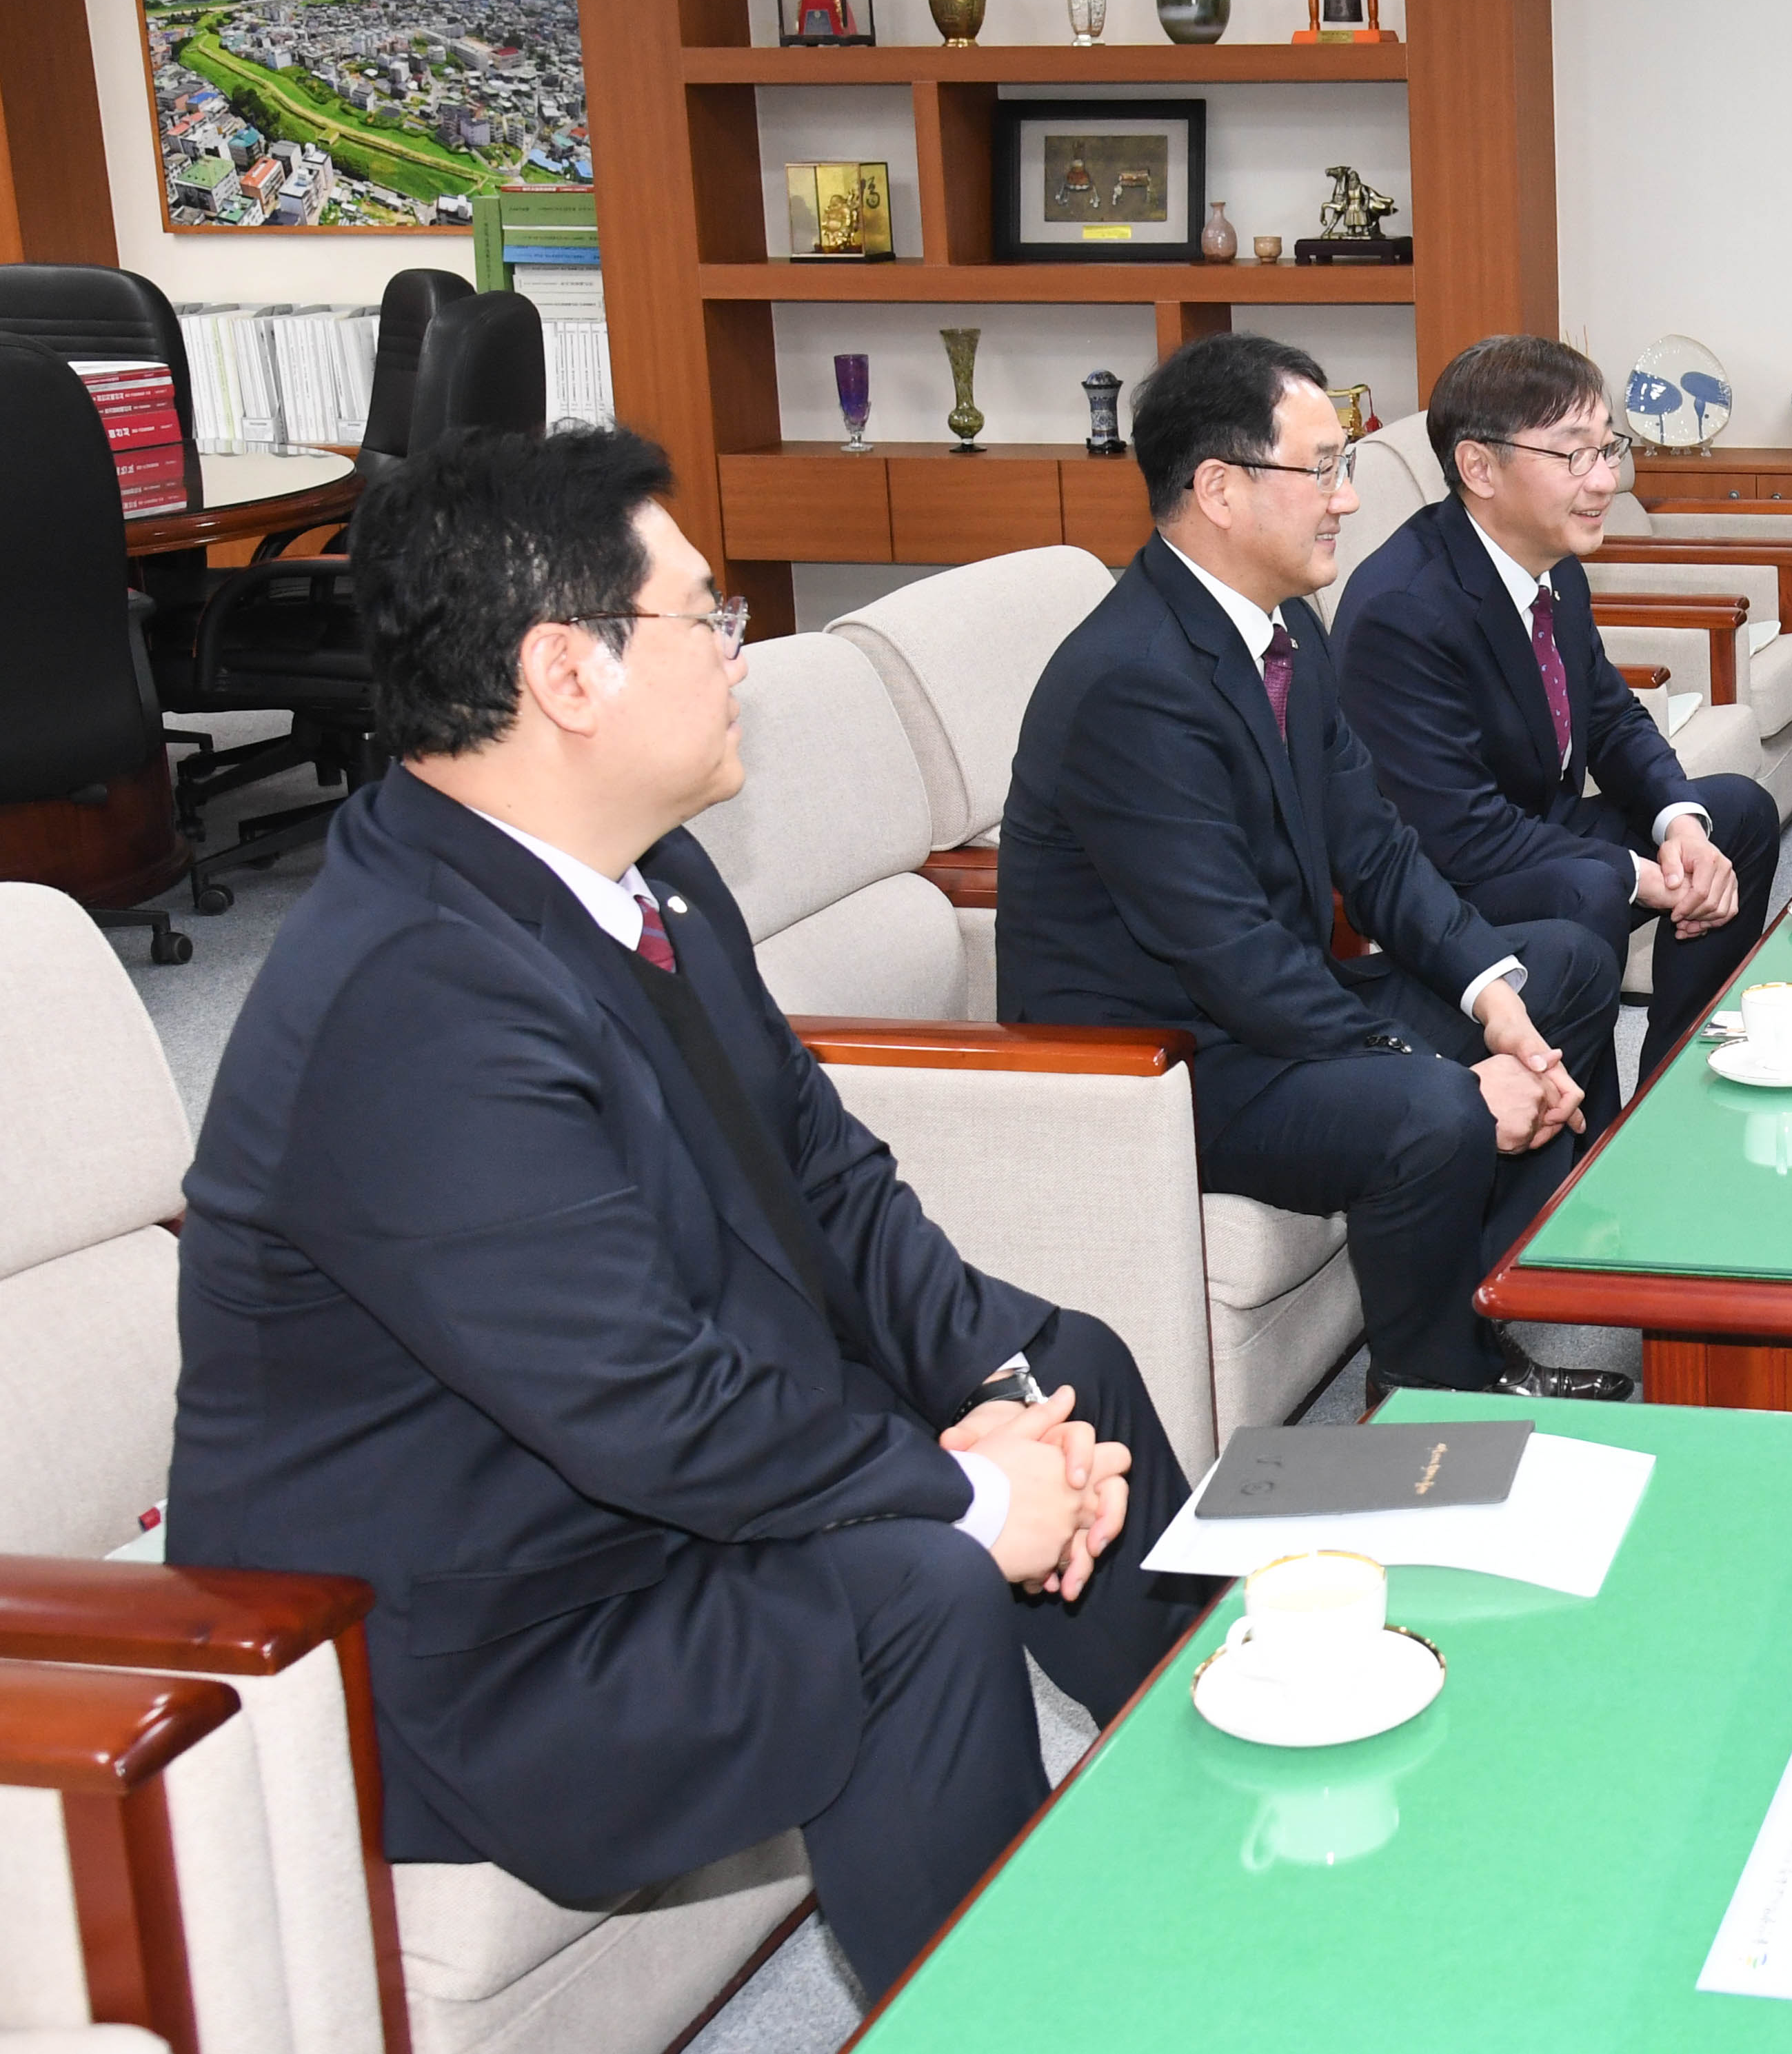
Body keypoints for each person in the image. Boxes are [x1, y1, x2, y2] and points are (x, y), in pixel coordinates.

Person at [166, 428, 1206, 1996]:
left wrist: (1004, 1396)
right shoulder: (413, 999)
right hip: (495, 1627)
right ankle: (1011, 2010)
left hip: (629, 1492)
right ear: (565, 672)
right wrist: (972, 1498)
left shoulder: (644, 871)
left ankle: (1226, 1816)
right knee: (910, 1584)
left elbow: (829, 1182)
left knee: (1075, 1359)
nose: (742, 656)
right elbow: (647, 1407)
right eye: (706, 619)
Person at [996, 331, 1633, 1404]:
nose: (1346, 499)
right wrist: (1446, 1073)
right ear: (1220, 490)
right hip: (1165, 1061)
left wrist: (1496, 1000)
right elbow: (1230, 954)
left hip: (1265, 1004)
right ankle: (1428, 1390)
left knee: (1556, 968)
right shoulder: (1132, 684)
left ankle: (1476, 1303)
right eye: (1324, 469)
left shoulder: (1284, 624)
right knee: (1434, 1110)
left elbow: (1374, 845)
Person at [1331, 334, 1782, 1105]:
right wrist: (1643, 876)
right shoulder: (1403, 611)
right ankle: (1588, 1137)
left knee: (1733, 812)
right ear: (1478, 467)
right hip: (1449, 875)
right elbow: (1456, 836)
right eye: (1574, 455)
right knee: (1588, 891)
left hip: (1539, 832)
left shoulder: (1551, 559)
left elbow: (1608, 716)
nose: (1602, 479)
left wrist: (1680, 827)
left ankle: (1670, 1092)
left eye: (1608, 449)